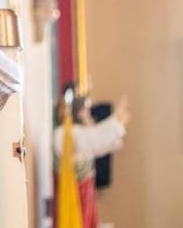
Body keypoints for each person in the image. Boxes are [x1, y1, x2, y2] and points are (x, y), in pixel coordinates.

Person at [53, 83, 129, 228]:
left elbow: (97, 146)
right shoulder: (64, 134)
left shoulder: (73, 132)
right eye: (85, 110)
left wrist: (117, 126)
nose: (87, 113)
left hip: (84, 194)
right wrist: (117, 122)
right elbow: (93, 140)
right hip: (73, 197)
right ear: (78, 111)